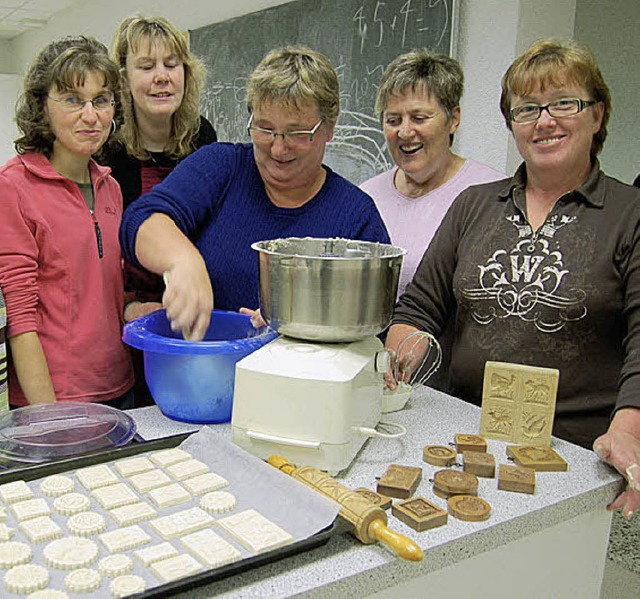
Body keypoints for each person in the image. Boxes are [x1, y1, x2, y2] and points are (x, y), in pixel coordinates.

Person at [385, 39, 640, 518]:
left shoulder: (630, 215)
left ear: (597, 115)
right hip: (461, 438)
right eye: (526, 109)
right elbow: (419, 307)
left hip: (575, 457)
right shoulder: (475, 205)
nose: (545, 121)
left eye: (564, 103)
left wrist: (629, 432)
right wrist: (401, 354)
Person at [120, 46, 390, 341]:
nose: (278, 148)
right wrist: (183, 259)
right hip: (205, 373)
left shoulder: (355, 216)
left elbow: (373, 333)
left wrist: (293, 329)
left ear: (329, 127)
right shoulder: (223, 168)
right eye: (264, 128)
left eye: (297, 133)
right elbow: (140, 219)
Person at [0, 36, 134, 408]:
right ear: (42, 107)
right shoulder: (13, 187)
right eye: (73, 100)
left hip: (119, 386)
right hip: (56, 401)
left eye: (101, 100)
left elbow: (102, 291)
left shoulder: (111, 188)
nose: (90, 116)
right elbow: (20, 318)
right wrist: (48, 418)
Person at [103, 14, 217, 324]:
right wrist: (127, 308)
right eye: (146, 66)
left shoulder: (202, 137)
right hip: (122, 315)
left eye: (171, 64)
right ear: (124, 79)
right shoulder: (105, 149)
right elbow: (96, 252)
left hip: (190, 307)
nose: (162, 76)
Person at [361, 49, 503, 297]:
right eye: (393, 120)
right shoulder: (366, 197)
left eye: (419, 118)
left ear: (453, 119)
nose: (405, 132)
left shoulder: (493, 195)